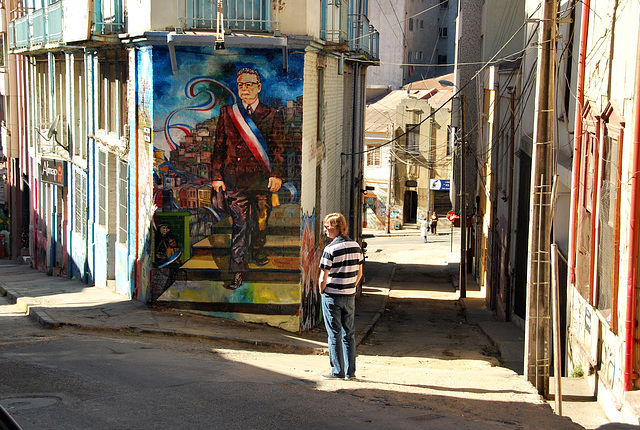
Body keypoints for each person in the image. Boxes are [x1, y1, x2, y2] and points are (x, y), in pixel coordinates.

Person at [211, 67, 285, 290]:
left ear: (259, 87)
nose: (244, 88)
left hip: (262, 181)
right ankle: (238, 272)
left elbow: (278, 149)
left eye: (249, 84)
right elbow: (218, 148)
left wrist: (277, 174)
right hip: (235, 181)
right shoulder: (227, 113)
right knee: (240, 226)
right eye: (241, 84)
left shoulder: (272, 114)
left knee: (261, 223)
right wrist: (217, 177)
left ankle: (258, 250)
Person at [318, 213, 364, 380]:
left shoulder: (330, 249)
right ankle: (350, 372)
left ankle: (337, 371)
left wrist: (321, 291)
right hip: (349, 295)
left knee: (334, 333)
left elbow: (323, 277)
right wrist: (351, 287)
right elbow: (360, 273)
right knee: (349, 333)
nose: (325, 230)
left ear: (336, 228)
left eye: (327, 227)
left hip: (332, 296)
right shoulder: (356, 246)